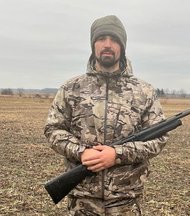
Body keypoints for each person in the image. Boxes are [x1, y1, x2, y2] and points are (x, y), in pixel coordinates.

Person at [44, 15, 169, 216]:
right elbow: (53, 129)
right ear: (93, 44)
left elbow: (159, 138)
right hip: (82, 201)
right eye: (102, 38)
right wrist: (82, 152)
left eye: (114, 39)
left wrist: (116, 155)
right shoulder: (71, 88)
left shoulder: (144, 91)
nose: (108, 45)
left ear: (123, 46)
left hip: (126, 200)